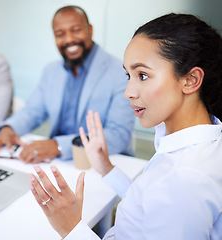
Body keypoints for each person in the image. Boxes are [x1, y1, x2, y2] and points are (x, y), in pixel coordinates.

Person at [29, 13, 222, 239]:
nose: (128, 92)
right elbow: (152, 205)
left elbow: (169, 196)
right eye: (128, 75)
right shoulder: (197, 145)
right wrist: (105, 168)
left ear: (190, 80)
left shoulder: (185, 179)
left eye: (142, 75)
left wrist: (71, 228)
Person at [0, 6, 134, 163]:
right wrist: (9, 128)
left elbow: (118, 135)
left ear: (90, 30)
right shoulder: (51, 71)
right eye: (60, 34)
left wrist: (58, 145)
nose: (69, 39)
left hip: (102, 162)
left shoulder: (121, 72)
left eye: (76, 30)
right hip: (56, 161)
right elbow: (32, 111)